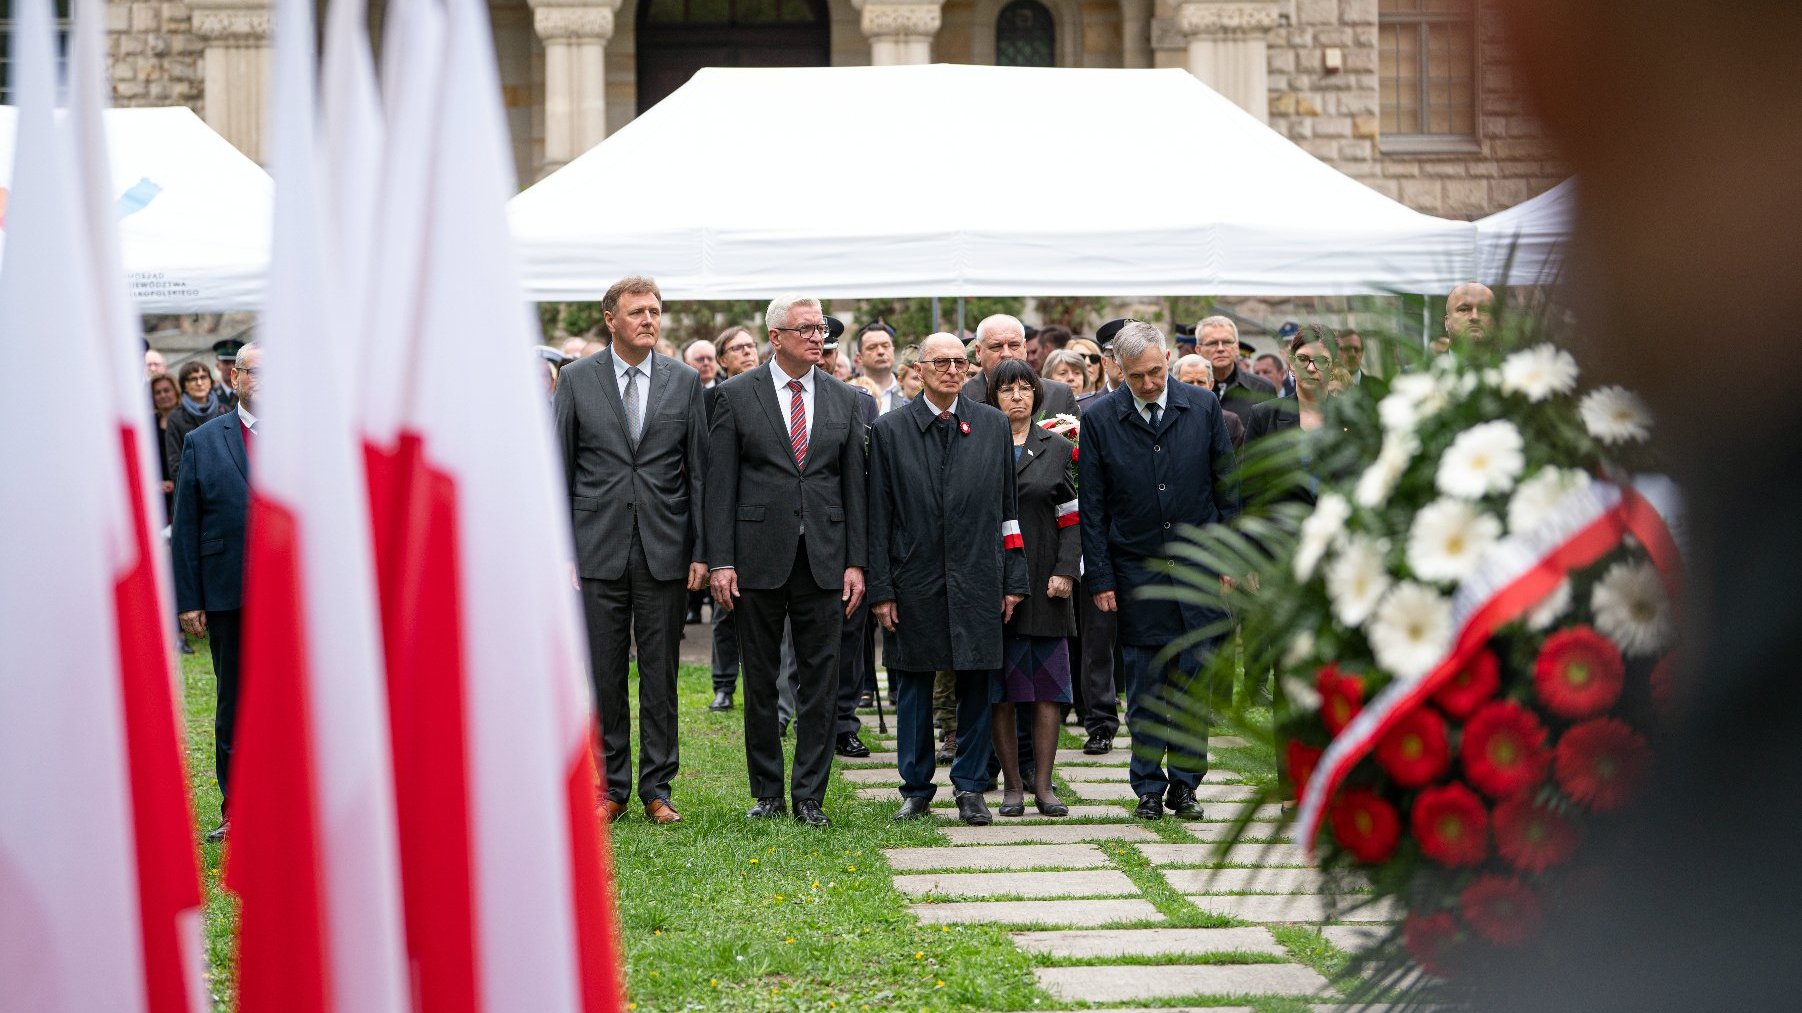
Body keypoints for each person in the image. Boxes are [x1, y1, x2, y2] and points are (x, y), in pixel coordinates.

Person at [706, 294, 868, 829]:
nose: (817, 337)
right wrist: (721, 560)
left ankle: (809, 796)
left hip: (824, 557)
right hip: (756, 557)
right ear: (775, 337)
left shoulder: (846, 400)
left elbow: (854, 489)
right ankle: (768, 790)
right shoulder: (735, 395)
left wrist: (855, 562)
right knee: (760, 675)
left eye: (821, 328)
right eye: (805, 329)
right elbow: (720, 485)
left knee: (821, 679)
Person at [555, 275, 708, 826]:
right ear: (611, 320)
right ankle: (611, 784)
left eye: (656, 310)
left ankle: (657, 787)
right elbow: (559, 467)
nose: (650, 319)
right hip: (595, 550)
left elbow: (699, 473)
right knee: (604, 673)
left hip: (664, 549)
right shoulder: (576, 380)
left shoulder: (684, 381)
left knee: (661, 674)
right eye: (638, 311)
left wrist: (701, 551)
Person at [1078, 321, 1239, 821]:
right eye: (1136, 376)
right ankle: (1147, 784)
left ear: (1168, 357)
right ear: (1117, 370)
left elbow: (1226, 487)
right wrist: (1101, 578)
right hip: (1136, 572)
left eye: (1155, 372)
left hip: (1197, 570)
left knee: (1193, 685)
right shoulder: (1102, 417)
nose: (1149, 384)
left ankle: (1186, 784)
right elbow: (1094, 506)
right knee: (1145, 688)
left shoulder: (1203, 406)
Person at [869, 332, 1030, 826]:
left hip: (980, 574)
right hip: (913, 576)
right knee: (916, 686)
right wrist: (881, 589)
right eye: (941, 362)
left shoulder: (992, 424)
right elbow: (878, 516)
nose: (952, 370)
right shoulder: (890, 430)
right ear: (918, 368)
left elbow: (1009, 511)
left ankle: (970, 788)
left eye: (960, 362)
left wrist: (1013, 579)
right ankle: (915, 789)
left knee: (978, 683)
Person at [171, 342, 260, 842]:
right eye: (255, 372)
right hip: (230, 591)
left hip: (291, 596)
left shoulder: (305, 439)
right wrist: (188, 600)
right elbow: (186, 524)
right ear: (237, 376)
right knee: (234, 701)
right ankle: (236, 808)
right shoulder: (205, 441)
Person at [985, 359, 1080, 818]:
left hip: (1046, 582)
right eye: (1007, 390)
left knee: (1047, 691)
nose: (1017, 397)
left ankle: (1043, 786)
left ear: (1037, 395)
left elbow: (1073, 517)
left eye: (1025, 388)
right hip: (995, 583)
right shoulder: (979, 443)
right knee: (1002, 691)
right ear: (993, 396)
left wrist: (1067, 570)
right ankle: (1011, 786)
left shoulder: (1058, 447)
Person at [708, 324, 763, 713]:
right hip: (728, 516)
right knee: (725, 608)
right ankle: (724, 684)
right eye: (737, 348)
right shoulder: (708, 401)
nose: (747, 352)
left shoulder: (771, 392)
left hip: (766, 519)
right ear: (722, 359)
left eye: (751, 345)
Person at [963, 314, 1080, 417]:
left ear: (1025, 347)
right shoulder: (959, 398)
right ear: (978, 352)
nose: (1006, 354)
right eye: (996, 347)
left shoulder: (1059, 395)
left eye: (1014, 345)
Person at [163, 359, 231, 483]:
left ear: (211, 382)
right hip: (193, 489)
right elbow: (175, 464)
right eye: (193, 379)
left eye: (203, 377)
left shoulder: (225, 411)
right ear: (184, 385)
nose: (199, 383)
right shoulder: (175, 417)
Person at [1198, 315, 1277, 417]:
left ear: (1237, 347)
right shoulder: (1186, 390)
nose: (1220, 349)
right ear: (1198, 350)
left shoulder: (1263, 389)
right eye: (1213, 343)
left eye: (1227, 342)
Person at [854, 321, 906, 413]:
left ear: (893, 350)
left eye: (885, 346)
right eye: (872, 347)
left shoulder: (909, 390)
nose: (881, 351)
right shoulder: (849, 392)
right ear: (859, 358)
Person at [1434, 281, 1496, 353]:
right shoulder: (1430, 363)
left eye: (1483, 309)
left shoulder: (1510, 363)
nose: (1474, 317)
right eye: (1464, 309)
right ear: (1447, 323)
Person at [1337, 329, 1385, 399]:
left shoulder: (1379, 388)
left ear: (1362, 352)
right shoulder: (1326, 389)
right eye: (1346, 349)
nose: (1352, 354)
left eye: (1356, 349)